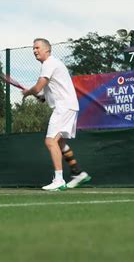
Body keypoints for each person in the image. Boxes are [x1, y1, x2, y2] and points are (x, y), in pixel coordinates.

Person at [22, 38, 91, 191]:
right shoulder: (52, 65)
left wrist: (28, 92)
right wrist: (40, 96)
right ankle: (78, 172)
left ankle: (59, 180)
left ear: (47, 49)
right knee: (59, 143)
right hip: (68, 106)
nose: (34, 51)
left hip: (64, 107)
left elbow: (39, 85)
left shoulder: (49, 63)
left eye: (37, 47)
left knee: (50, 141)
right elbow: (48, 91)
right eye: (33, 48)